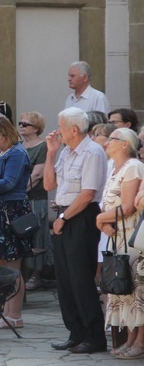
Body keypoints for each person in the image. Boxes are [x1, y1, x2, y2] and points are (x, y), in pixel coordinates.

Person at [44, 107, 107, 354]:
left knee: (81, 278)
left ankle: (94, 336)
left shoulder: (92, 151)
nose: (57, 131)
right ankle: (76, 332)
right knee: (65, 280)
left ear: (72, 129)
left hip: (80, 216)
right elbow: (50, 184)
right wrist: (51, 154)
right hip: (64, 213)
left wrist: (62, 217)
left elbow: (88, 193)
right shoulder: (66, 152)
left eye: (60, 126)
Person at [95, 128, 144, 359]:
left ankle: (140, 342)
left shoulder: (133, 166)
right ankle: (130, 338)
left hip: (133, 238)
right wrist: (104, 223)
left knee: (137, 290)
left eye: (111, 139)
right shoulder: (115, 168)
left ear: (124, 144)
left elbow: (127, 208)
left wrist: (100, 219)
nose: (106, 142)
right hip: (118, 237)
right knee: (124, 290)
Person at [0, 117, 32, 329]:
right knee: (1, 262)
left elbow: (9, 182)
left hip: (11, 211)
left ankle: (15, 314)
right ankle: (6, 310)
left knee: (13, 264)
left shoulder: (17, 153)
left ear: (7, 135)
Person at [18, 112, 51, 291]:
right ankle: (24, 271)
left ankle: (36, 273)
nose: (21, 126)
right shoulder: (19, 145)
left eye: (26, 124)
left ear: (36, 128)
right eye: (20, 123)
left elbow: (37, 174)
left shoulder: (42, 147)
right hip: (21, 197)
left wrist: (19, 192)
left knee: (36, 234)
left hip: (35, 197)